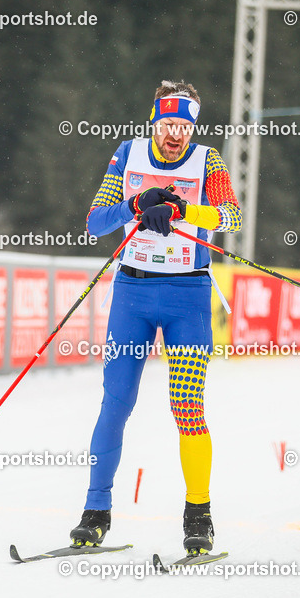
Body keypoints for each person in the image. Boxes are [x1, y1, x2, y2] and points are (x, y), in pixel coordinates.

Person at [70, 80, 242, 554]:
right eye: (168, 125)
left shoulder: (208, 160)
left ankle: (199, 516)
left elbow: (233, 217)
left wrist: (187, 210)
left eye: (185, 127)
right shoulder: (128, 155)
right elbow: (95, 223)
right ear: (154, 122)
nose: (175, 136)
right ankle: (95, 512)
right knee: (116, 402)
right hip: (133, 294)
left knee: (187, 408)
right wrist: (135, 203)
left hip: (187, 296)